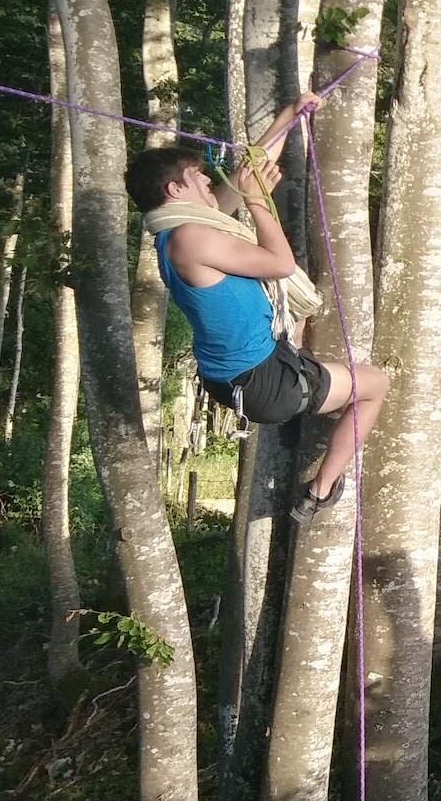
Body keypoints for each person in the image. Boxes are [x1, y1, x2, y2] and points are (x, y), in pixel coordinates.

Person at [124, 94, 389, 521]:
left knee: (298, 337)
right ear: (176, 190)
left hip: (236, 377)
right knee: (375, 384)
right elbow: (280, 263)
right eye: (198, 177)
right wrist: (257, 201)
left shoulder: (178, 232)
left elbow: (245, 174)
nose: (208, 181)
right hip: (264, 383)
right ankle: (319, 491)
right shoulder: (191, 238)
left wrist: (290, 115)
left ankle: (305, 403)